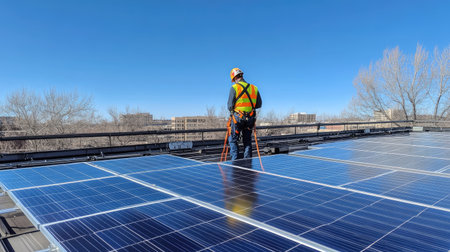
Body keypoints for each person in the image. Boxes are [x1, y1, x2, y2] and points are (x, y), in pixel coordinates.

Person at [227, 68, 262, 160]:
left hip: (238, 118)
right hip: (250, 119)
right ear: (242, 75)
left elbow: (230, 106)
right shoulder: (254, 88)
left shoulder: (234, 88)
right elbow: (258, 104)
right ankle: (247, 163)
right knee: (247, 141)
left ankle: (235, 163)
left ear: (234, 78)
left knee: (233, 140)